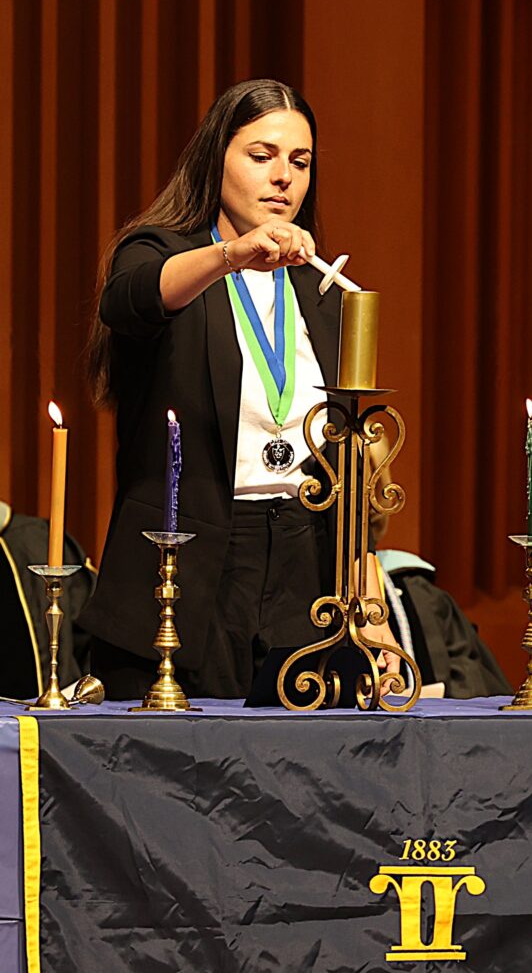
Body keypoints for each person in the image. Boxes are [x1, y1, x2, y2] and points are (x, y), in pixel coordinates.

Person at [82, 79, 399, 700]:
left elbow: (341, 459)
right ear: (216, 158)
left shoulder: (320, 287)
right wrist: (231, 254)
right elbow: (128, 300)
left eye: (300, 162)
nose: (283, 177)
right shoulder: (165, 254)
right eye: (262, 155)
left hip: (303, 568)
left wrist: (369, 600)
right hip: (187, 566)